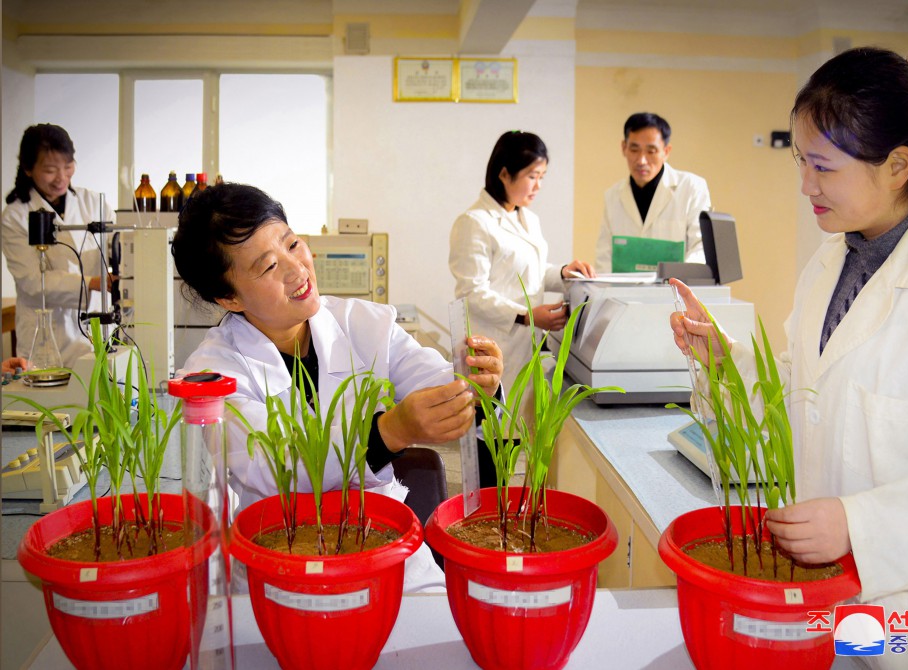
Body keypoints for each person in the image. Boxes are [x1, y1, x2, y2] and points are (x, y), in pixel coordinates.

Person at [670, 47, 908, 669]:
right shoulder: (829, 266)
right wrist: (726, 364)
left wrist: (860, 526)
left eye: (822, 166)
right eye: (801, 160)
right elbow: (807, 400)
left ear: (898, 165)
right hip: (838, 616)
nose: (804, 184)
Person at [173, 183, 503, 592]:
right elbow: (275, 462)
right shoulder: (212, 371)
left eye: (292, 244)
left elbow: (435, 379)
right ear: (229, 298)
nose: (297, 270)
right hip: (281, 558)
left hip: (384, 545)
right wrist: (390, 432)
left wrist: (477, 384)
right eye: (268, 266)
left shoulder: (363, 323)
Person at [449, 130, 595, 396]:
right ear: (504, 174)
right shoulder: (474, 222)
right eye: (531, 176)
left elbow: (530, 274)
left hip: (525, 348)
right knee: (494, 432)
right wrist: (527, 316)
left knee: (521, 430)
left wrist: (563, 273)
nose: (538, 186)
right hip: (492, 347)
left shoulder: (527, 218)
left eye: (541, 177)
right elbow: (470, 293)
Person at [2, 124, 116, 368]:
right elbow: (32, 281)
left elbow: (116, 252)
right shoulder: (15, 215)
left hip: (96, 330)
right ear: (28, 169)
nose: (62, 177)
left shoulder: (94, 202)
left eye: (68, 166)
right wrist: (93, 282)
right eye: (51, 170)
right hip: (46, 337)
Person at [595, 112, 711, 273]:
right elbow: (604, 259)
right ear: (624, 148)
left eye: (651, 151)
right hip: (624, 295)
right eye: (634, 149)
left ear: (666, 151)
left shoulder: (691, 188)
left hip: (674, 292)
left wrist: (680, 283)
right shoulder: (613, 196)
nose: (642, 160)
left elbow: (700, 247)